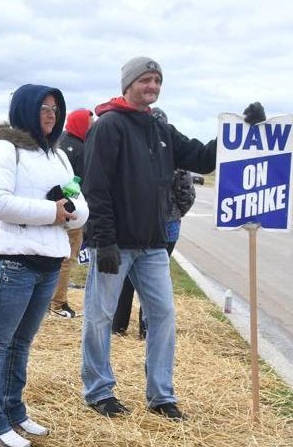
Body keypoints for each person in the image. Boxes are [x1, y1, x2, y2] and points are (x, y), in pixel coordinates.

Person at [80, 56, 264, 420]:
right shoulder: (109, 127)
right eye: (145, 80)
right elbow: (96, 188)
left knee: (163, 315)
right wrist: (104, 240)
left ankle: (161, 395)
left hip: (152, 244)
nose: (152, 86)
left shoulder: (161, 129)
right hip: (116, 242)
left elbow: (202, 158)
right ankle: (99, 390)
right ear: (128, 84)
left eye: (157, 81)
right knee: (99, 317)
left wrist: (244, 128)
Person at [0, 84, 89, 447]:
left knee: (21, 343)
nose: (51, 114)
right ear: (24, 109)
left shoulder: (58, 156)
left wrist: (67, 214)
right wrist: (52, 212)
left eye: (56, 108)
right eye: (43, 107)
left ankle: (14, 411)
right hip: (13, 260)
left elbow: (79, 207)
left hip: (48, 262)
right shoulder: (4, 150)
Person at [112, 107, 196, 338]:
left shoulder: (138, 154)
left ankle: (118, 325)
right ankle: (145, 329)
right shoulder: (173, 158)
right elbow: (187, 193)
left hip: (149, 225)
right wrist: (176, 212)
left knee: (130, 279)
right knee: (153, 282)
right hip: (167, 226)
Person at [49, 108, 94, 318]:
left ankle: (46, 300)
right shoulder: (82, 149)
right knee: (67, 258)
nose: (92, 128)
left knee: (51, 256)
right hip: (73, 211)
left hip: (52, 207)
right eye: (90, 124)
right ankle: (58, 303)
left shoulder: (58, 143)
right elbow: (88, 183)